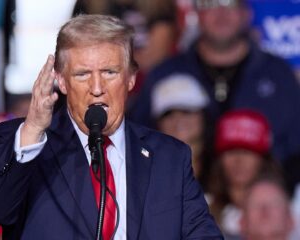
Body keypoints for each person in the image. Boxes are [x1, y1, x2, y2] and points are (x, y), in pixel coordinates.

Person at [0, 14, 222, 239]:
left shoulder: (170, 157)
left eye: (109, 72)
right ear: (61, 80)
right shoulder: (27, 144)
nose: (97, 88)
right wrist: (33, 129)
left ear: (131, 78)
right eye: (82, 74)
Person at [129, 0, 300, 163]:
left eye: (230, 2)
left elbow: (294, 147)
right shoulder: (164, 74)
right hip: (181, 187)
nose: (221, 12)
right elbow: (138, 143)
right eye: (210, 3)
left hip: (266, 188)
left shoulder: (278, 74)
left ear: (247, 12)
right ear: (196, 13)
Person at [208, 109, 281, 239]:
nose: (239, 160)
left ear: (263, 160)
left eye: (247, 151)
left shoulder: (287, 210)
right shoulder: (201, 208)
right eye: (231, 150)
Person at [151, 73, 210, 187]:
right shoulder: (147, 170)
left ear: (203, 116)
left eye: (186, 111)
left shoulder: (224, 167)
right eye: (168, 114)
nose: (178, 120)